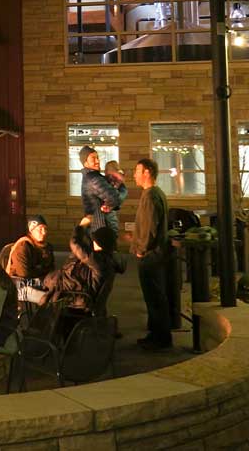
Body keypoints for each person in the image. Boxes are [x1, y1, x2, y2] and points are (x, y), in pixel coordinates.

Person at [131, 157, 172, 350]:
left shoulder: (150, 196)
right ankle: (157, 334)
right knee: (156, 295)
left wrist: (140, 250)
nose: (134, 175)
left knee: (154, 296)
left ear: (147, 172)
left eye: (137, 171)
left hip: (150, 255)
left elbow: (149, 228)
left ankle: (160, 338)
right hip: (156, 253)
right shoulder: (156, 194)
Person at [79, 146, 127, 233]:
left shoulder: (94, 177)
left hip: (100, 228)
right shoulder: (93, 179)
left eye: (97, 157)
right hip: (102, 228)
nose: (97, 161)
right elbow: (115, 198)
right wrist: (122, 188)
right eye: (93, 158)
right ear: (85, 163)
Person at [6, 215, 55, 284]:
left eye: (45, 229)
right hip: (21, 286)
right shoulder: (23, 246)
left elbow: (52, 269)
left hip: (41, 282)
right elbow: (24, 274)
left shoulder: (48, 247)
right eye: (40, 229)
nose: (44, 232)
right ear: (31, 230)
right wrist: (43, 270)